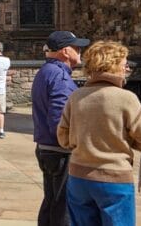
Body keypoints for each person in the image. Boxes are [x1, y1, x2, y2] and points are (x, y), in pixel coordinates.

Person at [56, 40, 141, 225]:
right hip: (114, 179)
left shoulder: (76, 96)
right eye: (124, 64)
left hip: (79, 177)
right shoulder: (126, 99)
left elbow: (63, 138)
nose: (127, 69)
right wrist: (126, 141)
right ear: (113, 65)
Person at [32, 29, 89, 226]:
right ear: (65, 51)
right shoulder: (60, 78)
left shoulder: (46, 71)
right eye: (77, 48)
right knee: (63, 209)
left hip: (47, 148)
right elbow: (60, 119)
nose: (80, 51)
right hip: (60, 152)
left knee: (52, 203)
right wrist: (74, 143)